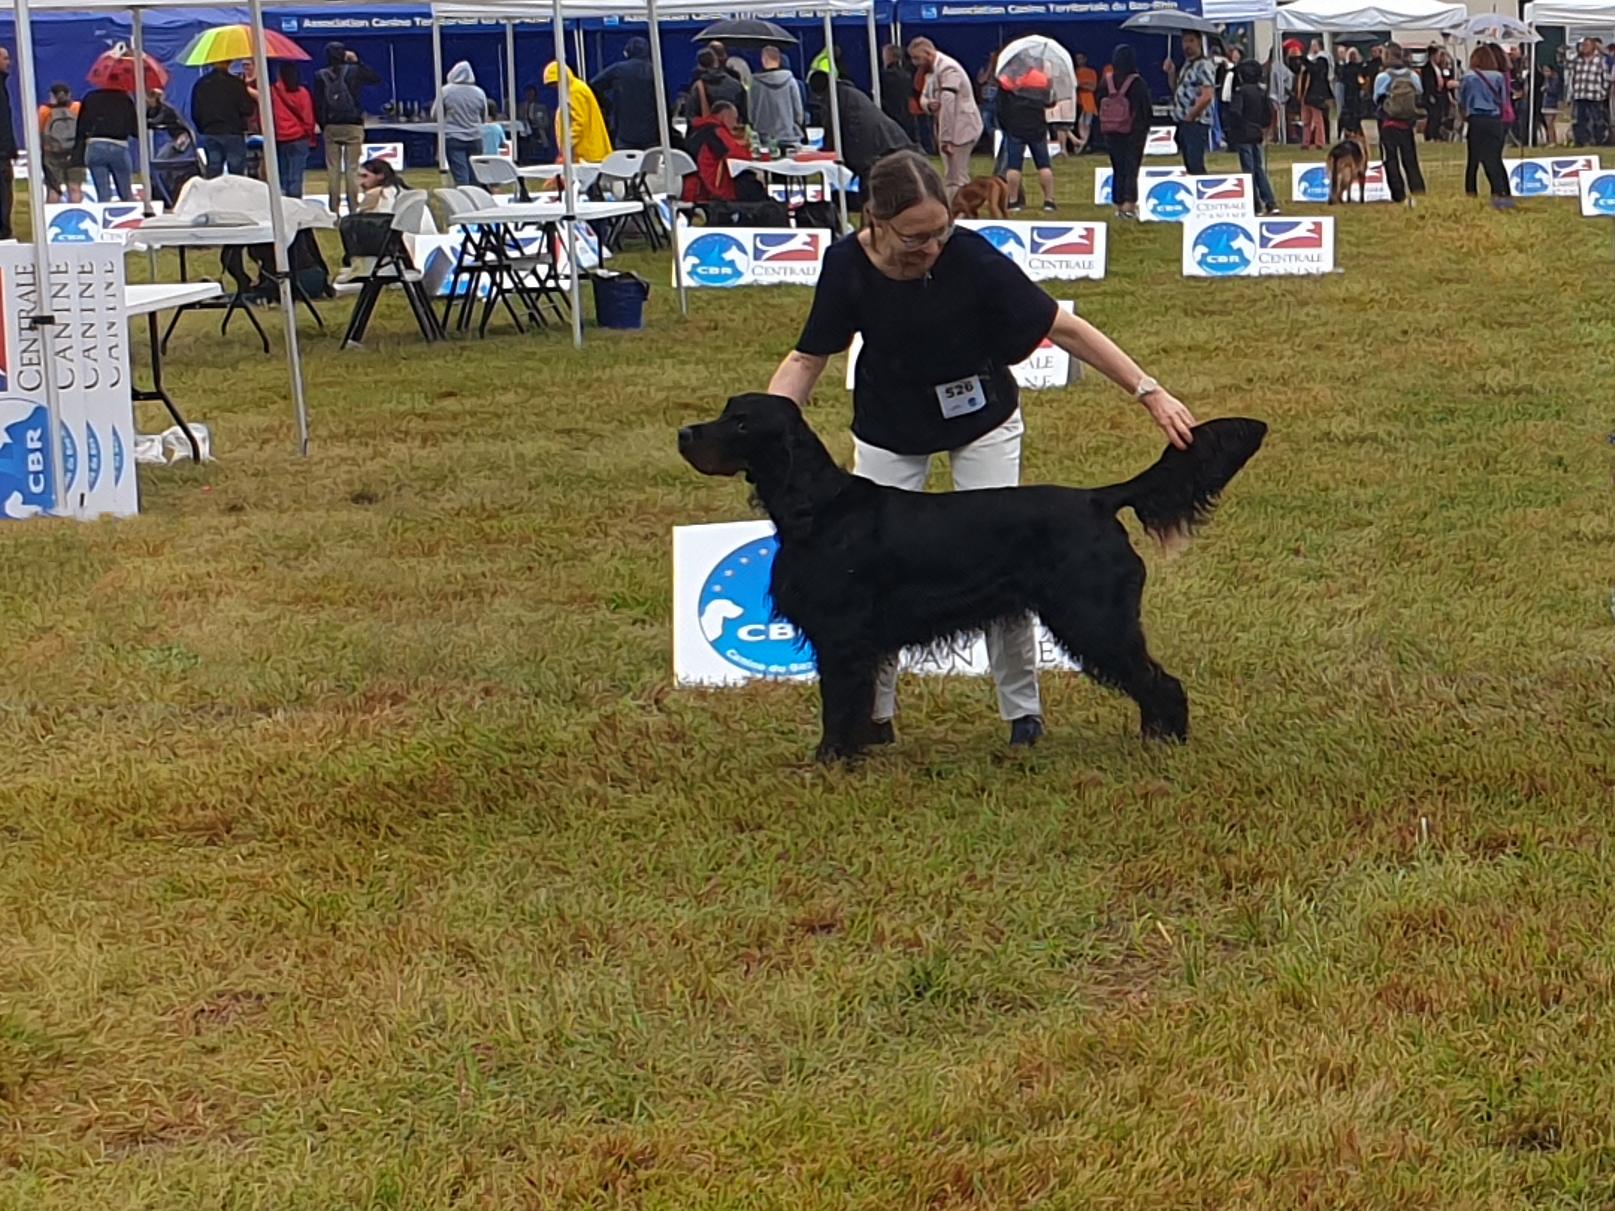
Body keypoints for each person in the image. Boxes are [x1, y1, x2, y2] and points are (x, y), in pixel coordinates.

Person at [765, 150, 1196, 750]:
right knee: (860, 578)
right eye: (917, 237)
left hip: (982, 418)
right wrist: (775, 427)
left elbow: (1063, 328)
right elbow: (808, 357)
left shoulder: (970, 257)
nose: (933, 246)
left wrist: (1149, 392)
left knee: (1010, 563)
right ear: (876, 221)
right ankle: (872, 720)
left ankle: (1023, 713)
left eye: (941, 230)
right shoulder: (846, 265)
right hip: (891, 425)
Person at [808, 70, 915, 182]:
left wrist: (827, 153)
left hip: (873, 148)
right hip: (889, 139)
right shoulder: (848, 92)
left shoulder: (834, 99)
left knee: (874, 183)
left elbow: (832, 129)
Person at [908, 37, 981, 198]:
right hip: (946, 127)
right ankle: (957, 210)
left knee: (957, 178)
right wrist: (928, 105)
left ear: (928, 53)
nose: (915, 63)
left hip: (961, 128)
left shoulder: (949, 69)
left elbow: (949, 105)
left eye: (917, 58)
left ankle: (961, 212)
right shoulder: (931, 71)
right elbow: (924, 97)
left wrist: (946, 139)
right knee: (951, 176)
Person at [314, 42, 377, 214]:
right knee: (352, 168)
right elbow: (374, 78)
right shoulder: (354, 71)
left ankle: (334, 208)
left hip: (332, 125)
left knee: (333, 169)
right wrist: (357, 61)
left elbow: (318, 104)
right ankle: (353, 207)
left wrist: (323, 125)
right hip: (353, 124)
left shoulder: (320, 75)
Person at [996, 63, 1056, 212]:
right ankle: (1049, 201)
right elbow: (1050, 102)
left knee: (1014, 165)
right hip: (1037, 126)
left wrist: (1006, 125)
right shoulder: (1041, 79)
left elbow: (1000, 107)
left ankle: (1013, 201)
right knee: (1043, 164)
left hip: (1015, 126)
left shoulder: (1006, 81)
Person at [1103, 44, 1152, 219]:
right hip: (1133, 131)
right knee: (1131, 168)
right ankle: (1129, 205)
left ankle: (1117, 204)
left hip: (1110, 130)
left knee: (1118, 167)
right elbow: (1145, 110)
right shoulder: (1137, 82)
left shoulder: (1106, 81)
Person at [1225, 59, 1280, 216]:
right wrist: (1261, 126)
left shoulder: (1240, 93)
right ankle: (1271, 202)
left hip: (1243, 134)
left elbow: (1235, 112)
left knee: (1248, 170)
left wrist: (1234, 128)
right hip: (1257, 133)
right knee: (1259, 168)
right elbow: (1268, 113)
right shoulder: (1261, 92)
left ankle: (1255, 205)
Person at [1374, 42, 1426, 206]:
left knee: (1390, 159)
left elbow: (1376, 98)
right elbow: (1419, 94)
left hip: (1388, 123)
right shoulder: (1413, 76)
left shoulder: (1383, 77)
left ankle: (1398, 195)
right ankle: (1418, 191)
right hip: (1406, 123)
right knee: (1410, 159)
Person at [1462, 45, 1513, 208]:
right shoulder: (1498, 76)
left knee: (1473, 158)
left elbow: (1462, 98)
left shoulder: (1469, 76)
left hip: (1476, 118)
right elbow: (1504, 99)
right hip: (1494, 119)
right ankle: (1501, 192)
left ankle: (1471, 192)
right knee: (1494, 158)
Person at [589, 36, 659, 150]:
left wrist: (607, 105)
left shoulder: (619, 69)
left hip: (624, 132)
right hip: (652, 133)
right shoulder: (655, 70)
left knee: (625, 164)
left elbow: (593, 86)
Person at [71, 82, 138, 201]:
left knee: (103, 194)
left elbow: (82, 127)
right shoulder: (126, 100)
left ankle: (104, 211)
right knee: (126, 192)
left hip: (95, 145)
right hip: (118, 146)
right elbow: (135, 130)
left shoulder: (90, 97)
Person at [191, 60, 256, 178]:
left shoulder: (201, 84)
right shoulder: (236, 83)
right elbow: (248, 109)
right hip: (233, 132)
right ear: (229, 63)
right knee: (237, 175)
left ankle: (215, 196)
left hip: (211, 131)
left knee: (213, 172)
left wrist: (203, 128)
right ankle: (235, 196)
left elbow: (196, 112)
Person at [682, 100, 751, 204]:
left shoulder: (697, 129)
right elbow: (736, 154)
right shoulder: (717, 131)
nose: (735, 124)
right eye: (734, 119)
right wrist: (750, 152)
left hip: (691, 187)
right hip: (710, 191)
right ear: (725, 116)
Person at [1165, 31, 1215, 173]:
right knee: (1188, 161)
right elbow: (1177, 88)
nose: (1187, 45)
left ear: (1199, 42)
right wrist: (1171, 73)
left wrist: (1192, 115)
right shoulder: (1187, 65)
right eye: (1184, 41)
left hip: (1196, 121)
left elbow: (1207, 95)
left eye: (1191, 41)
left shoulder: (1204, 65)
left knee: (1195, 162)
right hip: (1183, 119)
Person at [544, 62, 613, 164]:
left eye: (555, 83)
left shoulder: (575, 92)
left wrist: (566, 149)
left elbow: (578, 123)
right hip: (590, 152)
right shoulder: (577, 88)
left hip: (587, 154)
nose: (555, 87)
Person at [433, 62, 487, 186]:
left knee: (461, 174)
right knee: (476, 174)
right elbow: (483, 116)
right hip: (475, 137)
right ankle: (477, 198)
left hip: (453, 136)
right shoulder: (479, 92)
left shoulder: (446, 91)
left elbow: (436, 114)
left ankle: (464, 199)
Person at [270, 62, 317, 199]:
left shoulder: (272, 91)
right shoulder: (302, 93)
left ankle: (284, 206)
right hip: (299, 138)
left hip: (280, 139)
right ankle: (296, 205)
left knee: (283, 176)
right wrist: (310, 136)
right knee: (296, 175)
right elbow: (308, 117)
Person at [750, 45, 805, 146]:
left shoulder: (755, 83)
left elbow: (751, 110)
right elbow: (798, 110)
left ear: (763, 59)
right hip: (788, 135)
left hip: (764, 137)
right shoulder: (790, 81)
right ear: (779, 59)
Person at [39, 82, 82, 204]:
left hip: (52, 152)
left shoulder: (45, 111)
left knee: (54, 188)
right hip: (74, 152)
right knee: (75, 188)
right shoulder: (77, 108)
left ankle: (51, 219)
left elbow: (40, 130)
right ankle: (77, 217)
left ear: (52, 96)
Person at [1567, 37, 1610, 147]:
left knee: (1597, 120)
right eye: (1582, 45)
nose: (1584, 47)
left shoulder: (1600, 60)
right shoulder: (1577, 60)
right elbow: (1567, 66)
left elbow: (1605, 77)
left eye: (1586, 45)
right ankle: (1584, 141)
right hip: (1581, 94)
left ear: (1593, 46)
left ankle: (1598, 140)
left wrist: (1603, 92)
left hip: (1595, 95)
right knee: (1581, 120)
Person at [688, 49, 748, 126]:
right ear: (716, 62)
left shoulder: (697, 88)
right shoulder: (736, 85)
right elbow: (744, 115)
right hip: (732, 133)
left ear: (699, 66)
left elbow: (692, 117)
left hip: (707, 134)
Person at [880, 45, 917, 142]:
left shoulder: (885, 76)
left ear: (888, 56)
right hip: (906, 112)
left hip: (890, 112)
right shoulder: (907, 74)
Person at [1300, 38, 1332, 147]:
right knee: (1306, 119)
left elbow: (1315, 71)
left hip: (1316, 93)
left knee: (1318, 119)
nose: (1313, 47)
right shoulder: (1310, 60)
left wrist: (1305, 61)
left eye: (1315, 45)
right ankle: (1306, 141)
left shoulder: (1322, 60)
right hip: (1306, 92)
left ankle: (1320, 141)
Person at [517, 86, 556, 162]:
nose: (530, 96)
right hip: (524, 130)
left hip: (538, 129)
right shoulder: (521, 107)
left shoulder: (542, 108)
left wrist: (538, 124)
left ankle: (545, 155)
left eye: (532, 94)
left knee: (541, 134)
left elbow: (546, 122)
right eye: (528, 94)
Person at [1074, 51, 1099, 152]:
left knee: (1087, 123)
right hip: (1078, 101)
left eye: (1081, 58)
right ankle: (1080, 144)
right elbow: (1074, 84)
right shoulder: (1074, 72)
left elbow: (1092, 87)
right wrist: (1084, 85)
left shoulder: (1091, 72)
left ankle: (1085, 143)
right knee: (1079, 123)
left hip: (1089, 101)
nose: (1079, 60)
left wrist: (1081, 85)